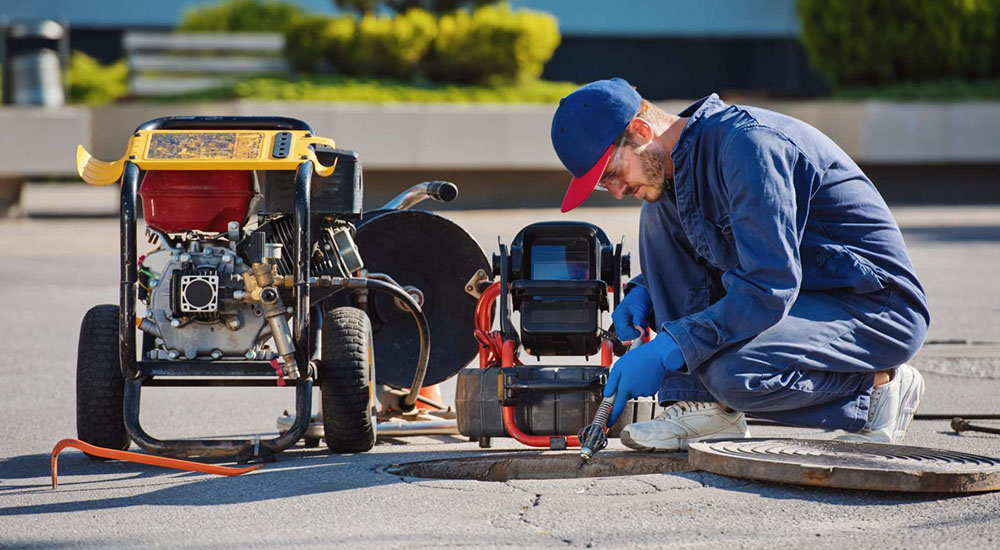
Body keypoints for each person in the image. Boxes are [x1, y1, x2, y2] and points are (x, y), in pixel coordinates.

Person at [549, 78, 930, 451]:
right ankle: (704, 408)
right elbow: (716, 250)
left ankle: (880, 386)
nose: (615, 191)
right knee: (656, 206)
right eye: (602, 185)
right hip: (802, 295)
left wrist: (674, 344)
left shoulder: (749, 147)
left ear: (641, 129)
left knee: (735, 374)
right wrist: (647, 291)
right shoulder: (677, 166)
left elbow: (769, 286)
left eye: (611, 175)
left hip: (874, 306)